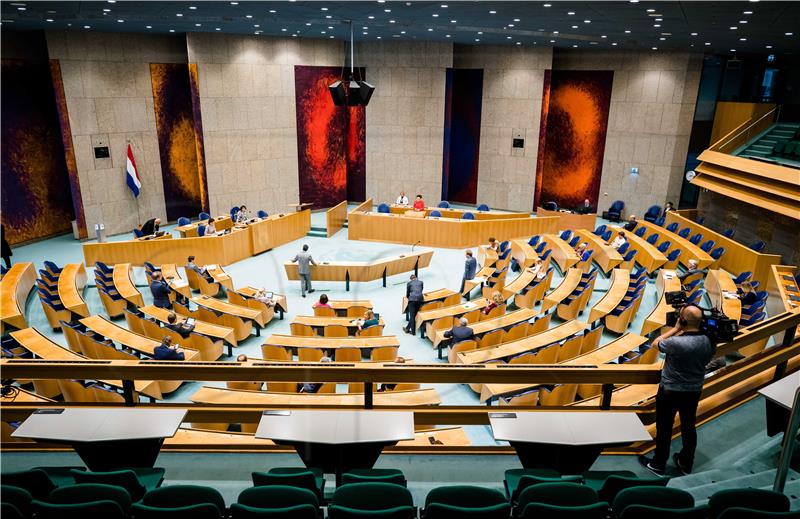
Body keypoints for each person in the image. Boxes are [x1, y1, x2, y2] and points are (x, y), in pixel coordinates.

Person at [639, 305, 714, 476]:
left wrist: (675, 329)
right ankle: (686, 463)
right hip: (694, 390)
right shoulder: (708, 340)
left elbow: (655, 343)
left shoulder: (676, 342)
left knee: (664, 427)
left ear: (682, 320)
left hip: (671, 390)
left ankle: (658, 464)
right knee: (688, 426)